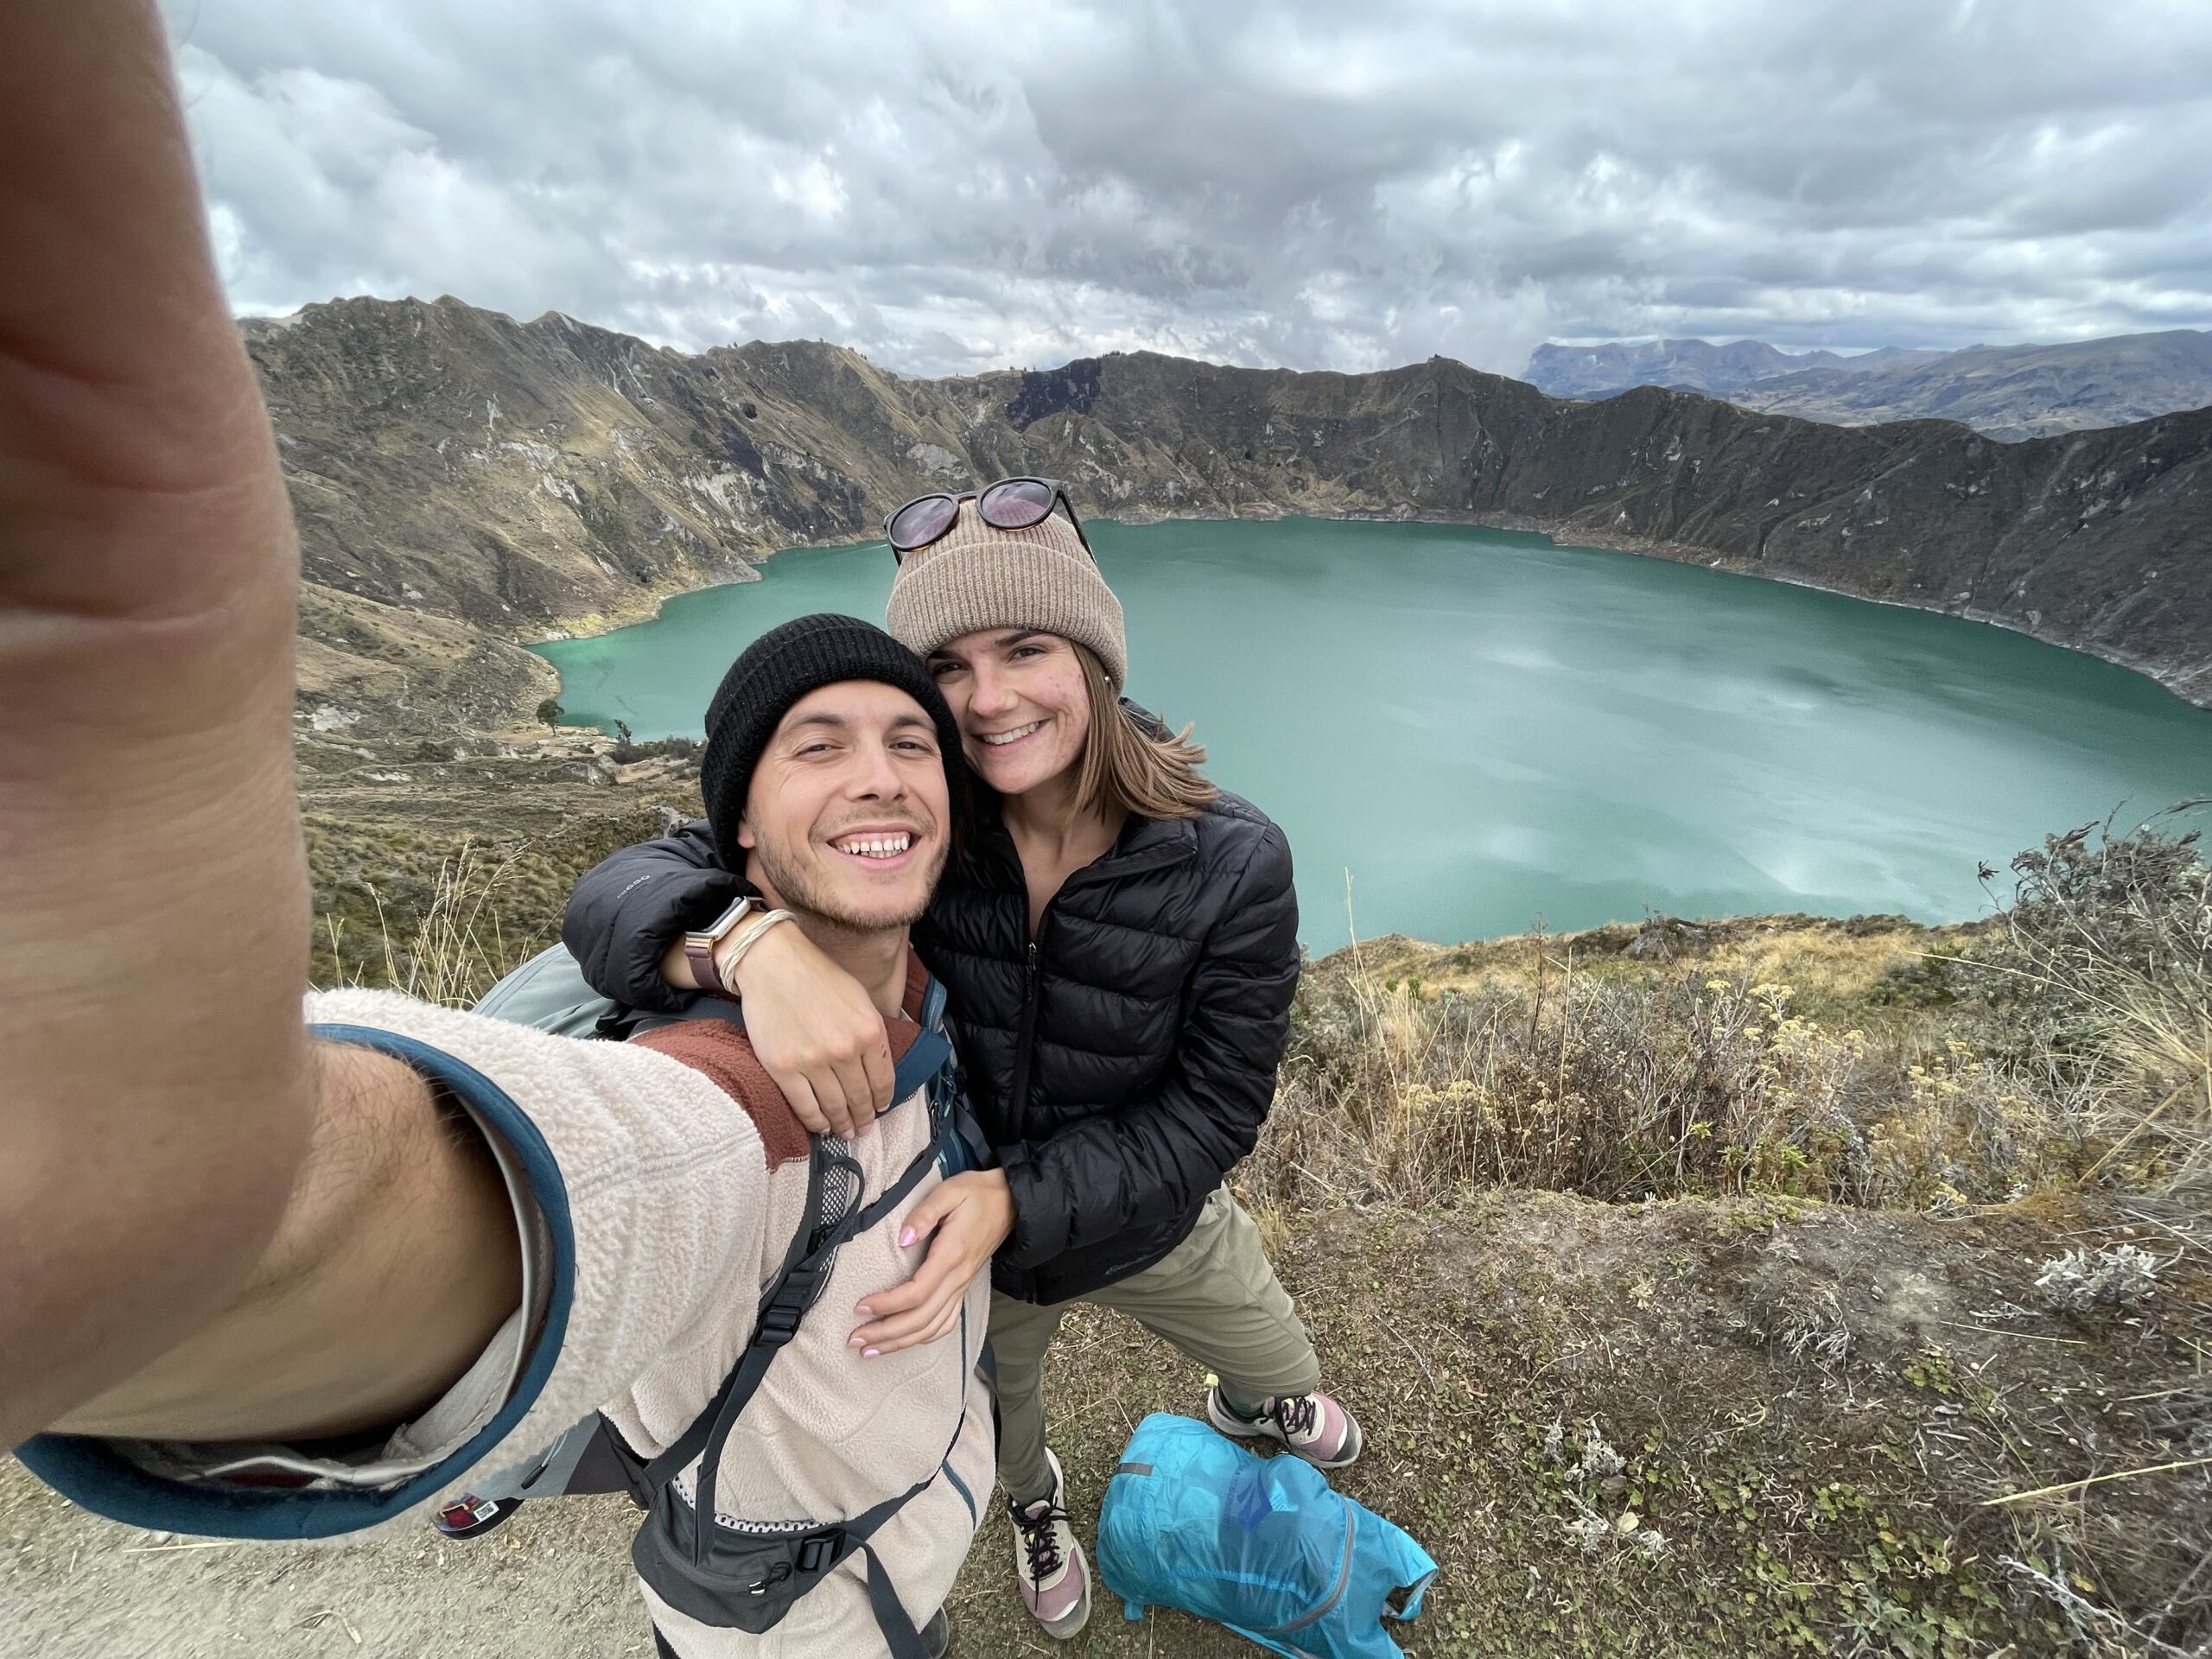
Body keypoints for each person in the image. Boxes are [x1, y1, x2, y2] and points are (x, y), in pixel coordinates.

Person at [0, 29, 993, 1638]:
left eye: (910, 743)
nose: (884, 774)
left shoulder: (941, 964)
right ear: (736, 827)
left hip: (927, 1526)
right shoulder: (723, 1091)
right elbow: (544, 1190)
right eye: (818, 747)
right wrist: (173, 1235)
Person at [561, 480, 1365, 1639]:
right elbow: (616, 893)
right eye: (945, 668)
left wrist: (1018, 1198)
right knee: (1000, 1425)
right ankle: (1036, 1514)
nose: (987, 703)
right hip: (959, 1246)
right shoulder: (911, 822)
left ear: (1091, 658)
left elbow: (1214, 1108)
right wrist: (751, 942)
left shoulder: (1229, 862)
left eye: (1026, 648)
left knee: (1273, 1341)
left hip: (1144, 1214)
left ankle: (1259, 1404)